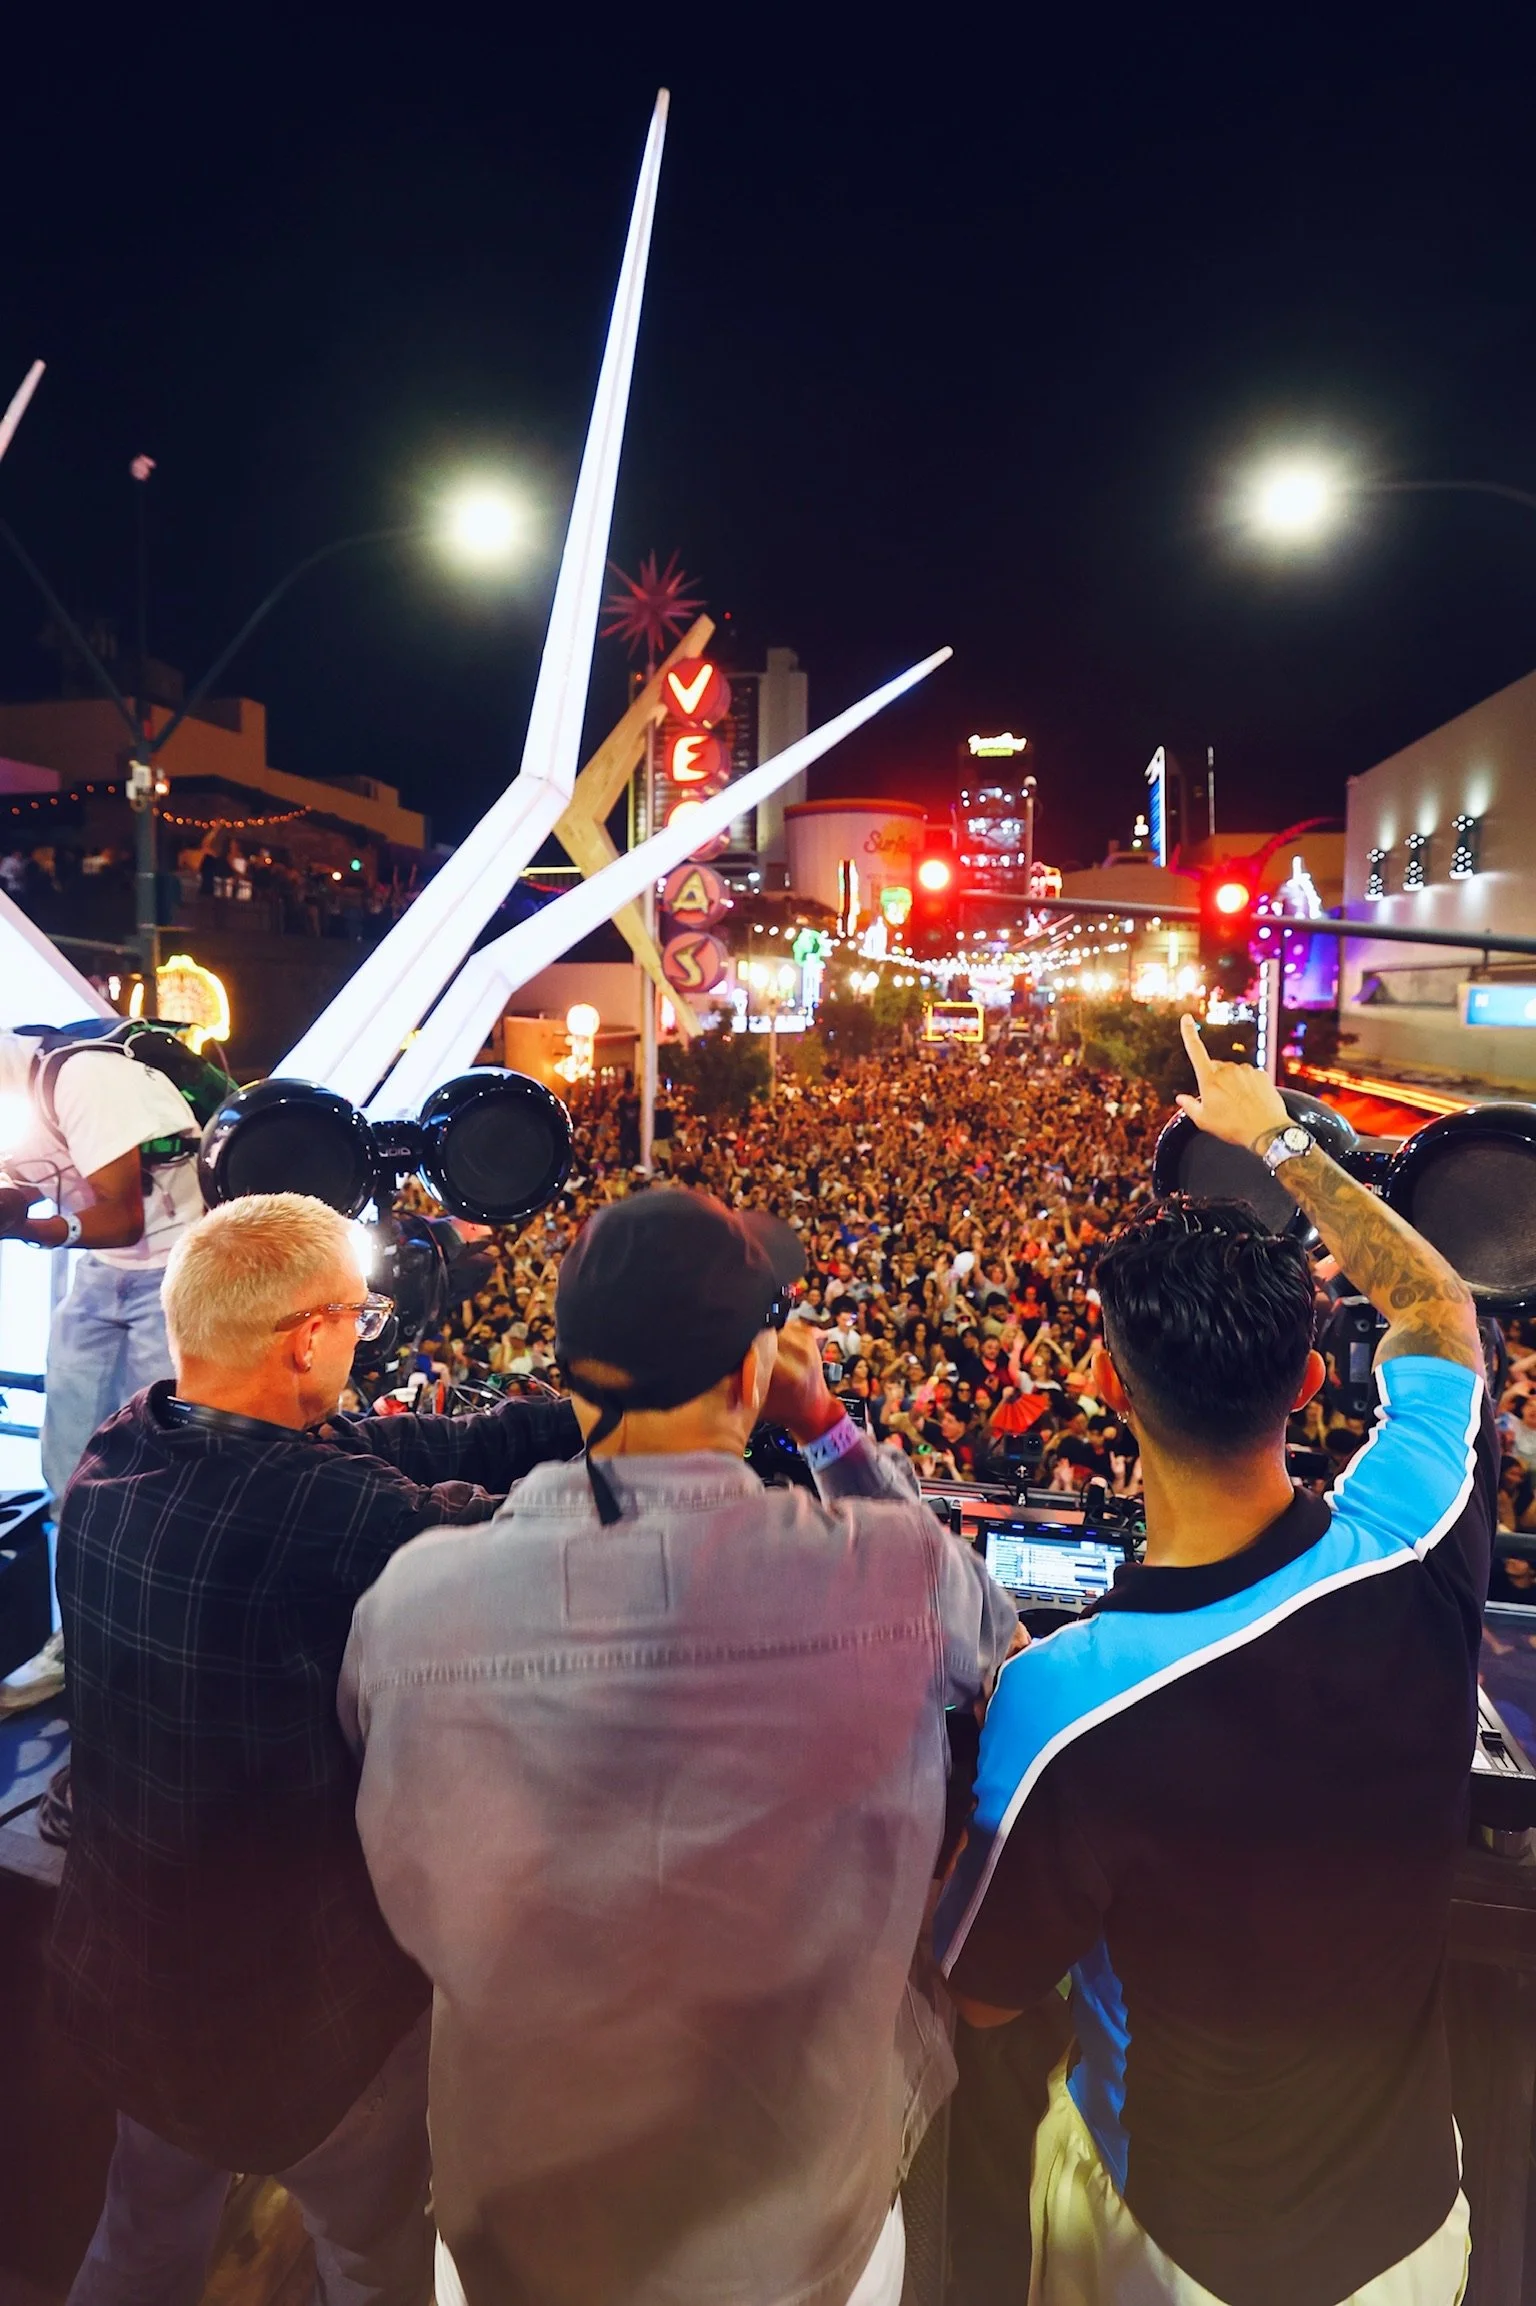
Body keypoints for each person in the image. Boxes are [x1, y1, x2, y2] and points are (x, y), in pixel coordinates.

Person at [340, 1189, 1020, 2306]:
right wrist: (827, 1426)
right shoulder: (889, 1570)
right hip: (799, 2229)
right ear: (753, 1375)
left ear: (563, 1376)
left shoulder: (418, 1602)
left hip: (514, 2216)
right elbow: (995, 1643)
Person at [936, 1014, 1489, 2306]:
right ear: (1308, 1378)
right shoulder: (1421, 1536)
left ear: (1112, 1386)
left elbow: (983, 1997)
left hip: (1174, 2245)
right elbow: (1437, 1303)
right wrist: (1282, 1136)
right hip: (1411, 2230)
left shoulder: (1068, 1694)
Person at [51, 1193, 581, 2306]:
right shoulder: (325, 1513)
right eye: (360, 1317)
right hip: (299, 2015)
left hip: (132, 1979)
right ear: (306, 1336)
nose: (364, 1335)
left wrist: (574, 1412)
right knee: (374, 2259)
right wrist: (665, 1432)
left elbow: (413, 1443)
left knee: (140, 2239)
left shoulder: (126, 1441)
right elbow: (533, 1545)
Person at [0, 1026, 206, 1499]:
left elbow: (121, 1219)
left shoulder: (84, 1080)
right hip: (101, 1269)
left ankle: (138, 1549)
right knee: (68, 1439)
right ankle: (68, 1534)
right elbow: (44, 1167)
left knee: (154, 1439)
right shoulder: (20, 1089)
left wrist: (25, 1228)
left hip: (171, 1266)